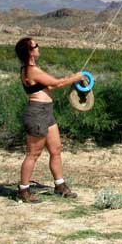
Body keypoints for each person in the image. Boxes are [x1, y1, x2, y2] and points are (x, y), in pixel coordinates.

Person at [15, 37, 84, 204]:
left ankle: (60, 185)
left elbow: (51, 85)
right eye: (35, 46)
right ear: (30, 52)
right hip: (37, 113)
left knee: (56, 149)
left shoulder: (32, 69)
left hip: (47, 111)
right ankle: (23, 190)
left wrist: (70, 78)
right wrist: (76, 77)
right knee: (33, 154)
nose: (38, 47)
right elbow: (57, 84)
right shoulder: (31, 70)